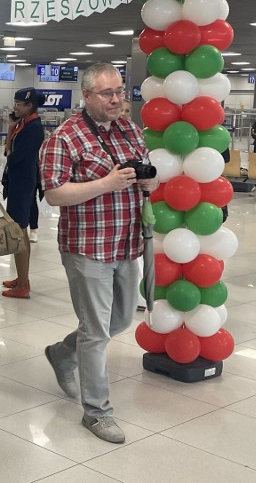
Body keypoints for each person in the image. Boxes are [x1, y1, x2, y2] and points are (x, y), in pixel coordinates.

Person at [39, 63, 159, 444]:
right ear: (87, 96)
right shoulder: (65, 137)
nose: (117, 100)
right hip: (88, 247)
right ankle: (96, 412)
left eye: (120, 91)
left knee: (119, 320)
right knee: (96, 332)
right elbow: (55, 193)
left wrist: (147, 179)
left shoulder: (129, 129)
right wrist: (106, 183)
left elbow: (146, 175)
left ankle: (61, 353)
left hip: (126, 242)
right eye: (107, 93)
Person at [1, 88, 45, 299]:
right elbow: (7, 150)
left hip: (24, 183)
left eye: (19, 104)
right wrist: (11, 128)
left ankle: (23, 284)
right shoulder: (22, 124)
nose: (15, 107)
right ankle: (21, 277)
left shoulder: (34, 128)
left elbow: (14, 157)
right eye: (15, 103)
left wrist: (10, 149)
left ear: (30, 106)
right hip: (18, 181)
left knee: (19, 232)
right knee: (21, 231)